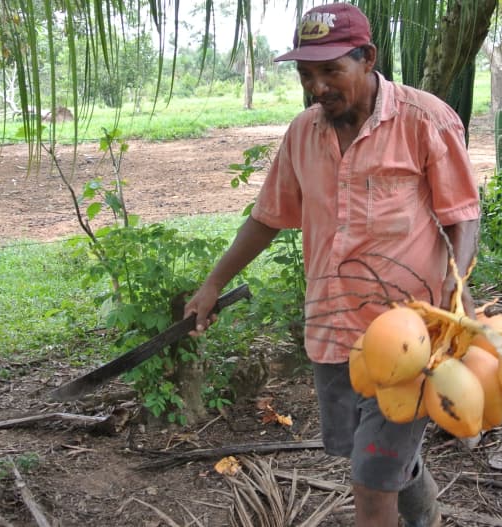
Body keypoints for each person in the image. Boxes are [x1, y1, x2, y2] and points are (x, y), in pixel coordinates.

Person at [184, 4, 479, 526]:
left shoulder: (424, 120)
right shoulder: (303, 134)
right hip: (332, 326)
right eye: (306, 75)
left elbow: (462, 216)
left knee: (370, 479)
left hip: (411, 333)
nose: (317, 87)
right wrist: (213, 284)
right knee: (356, 451)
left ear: (367, 58)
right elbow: (268, 218)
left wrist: (458, 293)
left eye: (330, 71)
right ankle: (426, 515)